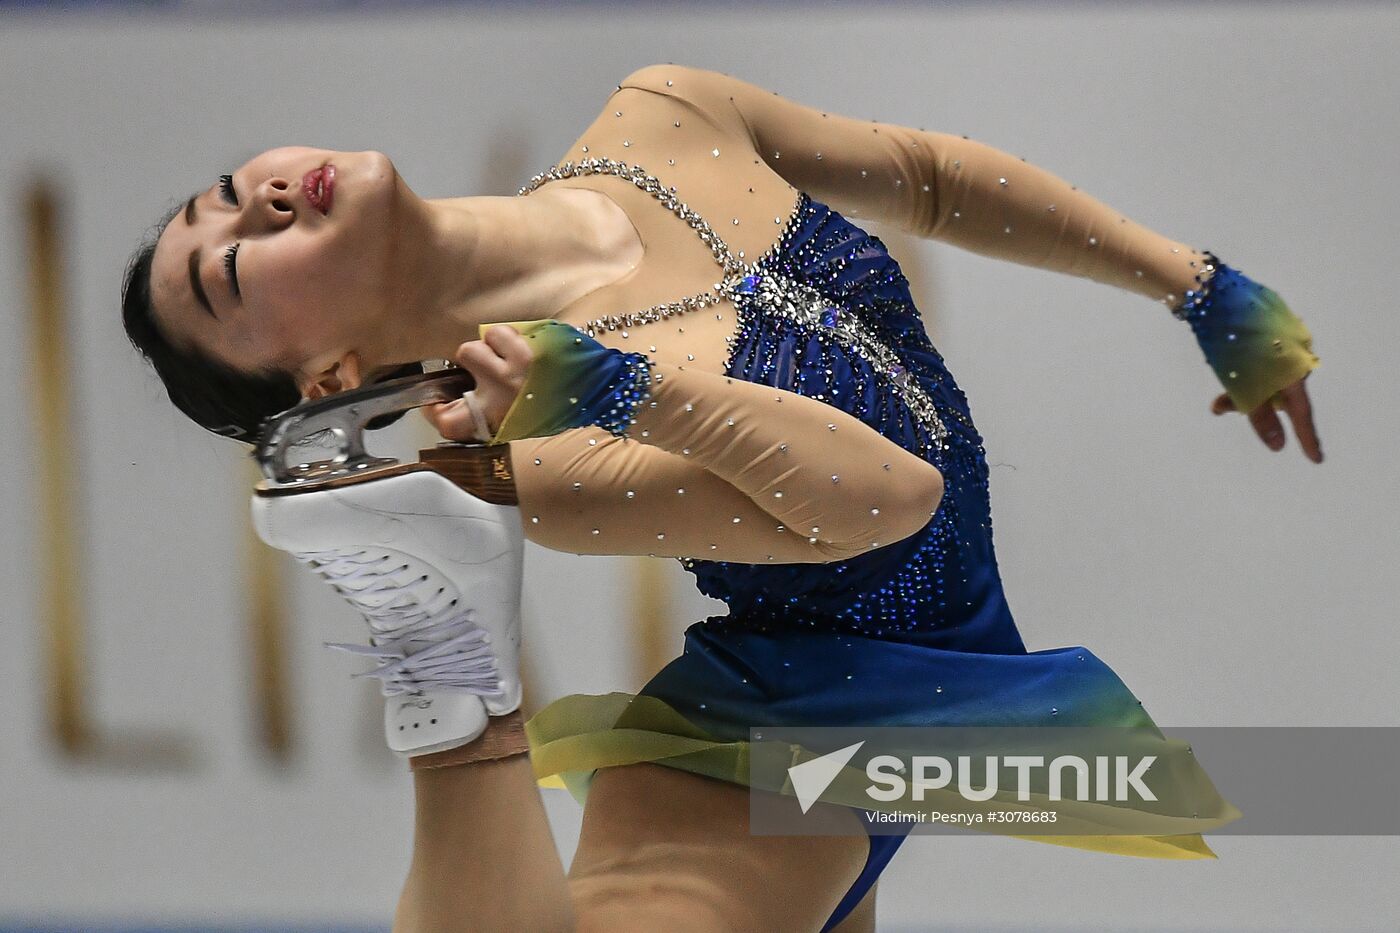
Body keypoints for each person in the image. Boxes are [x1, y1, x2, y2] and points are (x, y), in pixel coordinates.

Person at [122, 63, 1322, 932]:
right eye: (231, 267)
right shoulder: (537, 456)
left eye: (229, 190)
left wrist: (1197, 285)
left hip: (913, 709)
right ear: (329, 382)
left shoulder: (660, 115)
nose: (258, 204)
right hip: (774, 746)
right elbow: (882, 496)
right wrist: (623, 390)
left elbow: (928, 183)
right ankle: (450, 688)